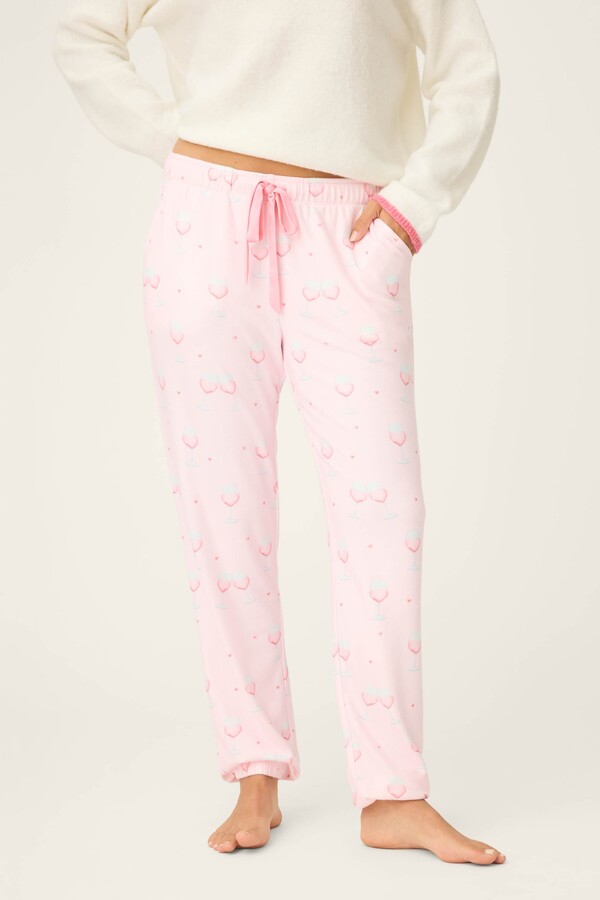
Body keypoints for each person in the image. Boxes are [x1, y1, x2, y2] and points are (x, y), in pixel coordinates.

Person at [52, 0, 505, 864]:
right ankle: (253, 768)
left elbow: (468, 69)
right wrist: (177, 143)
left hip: (351, 232)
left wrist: (411, 208)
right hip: (206, 226)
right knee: (224, 512)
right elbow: (83, 32)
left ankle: (394, 790)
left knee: (384, 513)